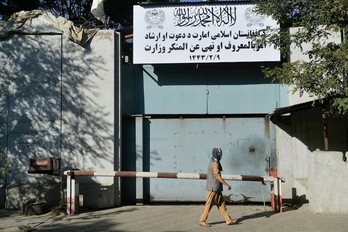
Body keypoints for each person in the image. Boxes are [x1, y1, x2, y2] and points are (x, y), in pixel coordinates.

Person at [199, 147, 236, 227]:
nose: (220, 155)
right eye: (219, 154)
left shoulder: (213, 161)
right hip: (213, 188)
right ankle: (202, 220)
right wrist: (226, 185)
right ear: (217, 154)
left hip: (216, 188)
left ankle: (228, 220)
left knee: (221, 204)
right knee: (209, 205)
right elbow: (217, 176)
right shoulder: (215, 164)